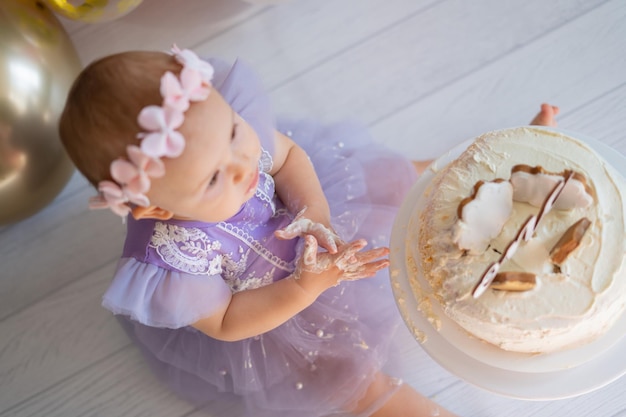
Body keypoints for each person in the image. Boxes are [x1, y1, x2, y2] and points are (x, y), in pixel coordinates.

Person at [59, 44, 557, 417]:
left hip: (308, 214)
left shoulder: (233, 148)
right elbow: (229, 322)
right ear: (156, 211)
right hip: (274, 308)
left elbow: (290, 156)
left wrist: (316, 214)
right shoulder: (174, 262)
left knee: (389, 180)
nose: (241, 165)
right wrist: (304, 287)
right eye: (213, 178)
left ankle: (495, 162)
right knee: (342, 376)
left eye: (234, 131)